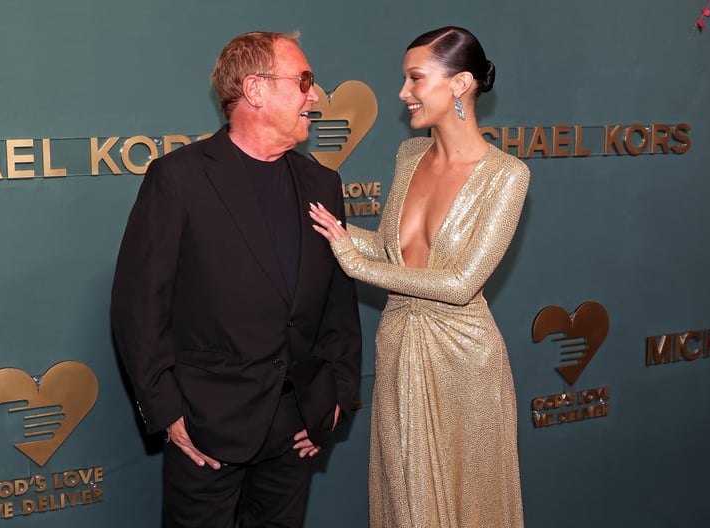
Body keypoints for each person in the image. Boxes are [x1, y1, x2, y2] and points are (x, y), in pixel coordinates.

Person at [111, 31, 362, 528]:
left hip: (297, 429)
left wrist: (335, 396)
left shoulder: (322, 183)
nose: (315, 95)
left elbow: (338, 304)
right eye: (304, 81)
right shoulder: (179, 179)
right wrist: (168, 415)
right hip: (208, 428)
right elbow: (139, 307)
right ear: (255, 90)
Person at [309, 26, 527, 527]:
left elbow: (460, 283)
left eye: (414, 78)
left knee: (467, 500)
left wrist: (356, 262)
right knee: (404, 494)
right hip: (399, 342)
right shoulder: (409, 156)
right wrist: (329, 227)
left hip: (464, 358)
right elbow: (392, 247)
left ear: (460, 84)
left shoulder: (506, 175)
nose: (403, 93)